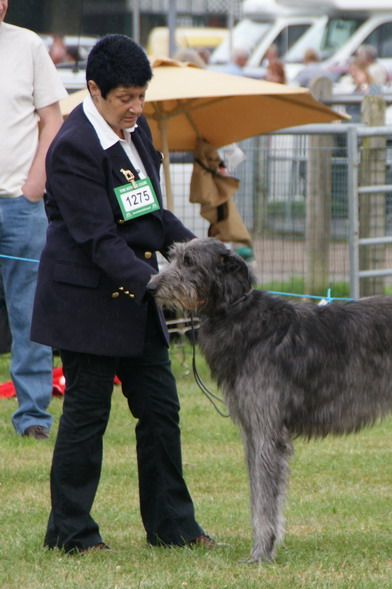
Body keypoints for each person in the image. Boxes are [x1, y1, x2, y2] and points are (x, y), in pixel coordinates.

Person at [30, 34, 212, 553]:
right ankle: (71, 533)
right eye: (124, 98)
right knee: (87, 418)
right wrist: (164, 286)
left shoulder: (138, 131)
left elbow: (149, 214)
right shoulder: (72, 148)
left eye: (141, 95)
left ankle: (173, 527)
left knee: (160, 411)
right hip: (86, 301)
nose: (135, 107)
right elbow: (100, 241)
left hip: (137, 300)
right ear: (93, 90)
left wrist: (198, 249)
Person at [0, 0, 66, 439]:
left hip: (20, 205)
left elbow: (52, 120)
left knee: (29, 314)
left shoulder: (28, 46)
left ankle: (33, 418)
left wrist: (33, 187)